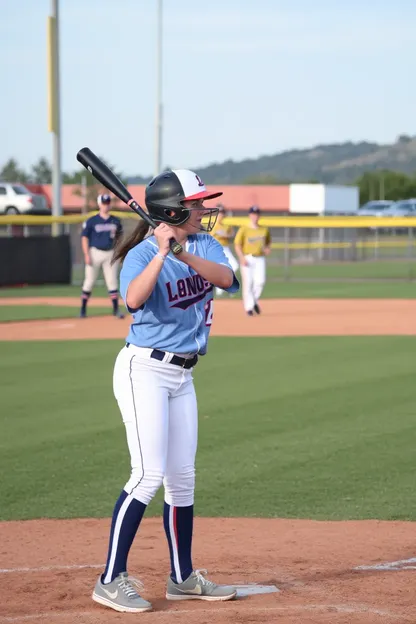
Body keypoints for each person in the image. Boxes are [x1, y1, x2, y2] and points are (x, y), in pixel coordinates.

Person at [92, 169, 239, 614]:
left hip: (183, 376)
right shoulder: (140, 254)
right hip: (145, 370)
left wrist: (183, 254)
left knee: (182, 479)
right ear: (173, 209)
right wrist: (159, 252)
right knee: (147, 475)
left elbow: (227, 280)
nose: (203, 210)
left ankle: (182, 577)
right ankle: (110, 579)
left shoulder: (204, 246)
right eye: (195, 204)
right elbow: (133, 301)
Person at [79, 194, 124, 318]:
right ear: (99, 204)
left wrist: (118, 252)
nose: (106, 205)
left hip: (110, 253)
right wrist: (86, 254)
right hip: (95, 252)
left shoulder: (115, 220)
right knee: (89, 281)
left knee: (112, 282)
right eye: (104, 203)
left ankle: (116, 310)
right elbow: (84, 237)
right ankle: (83, 310)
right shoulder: (92, 220)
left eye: (108, 202)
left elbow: (120, 237)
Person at [234, 205, 271, 316]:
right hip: (247, 258)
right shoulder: (244, 229)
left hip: (260, 258)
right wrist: (241, 258)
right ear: (250, 215)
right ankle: (249, 308)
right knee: (248, 283)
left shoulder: (264, 229)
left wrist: (267, 248)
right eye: (253, 214)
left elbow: (268, 242)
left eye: (257, 214)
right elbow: (237, 245)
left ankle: (254, 300)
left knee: (260, 282)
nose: (255, 216)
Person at [209, 203, 239, 297]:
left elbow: (231, 234)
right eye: (219, 212)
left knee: (235, 265)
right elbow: (211, 236)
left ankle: (223, 284)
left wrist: (225, 234)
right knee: (216, 269)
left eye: (222, 212)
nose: (221, 214)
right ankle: (219, 287)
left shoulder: (226, 225)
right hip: (216, 249)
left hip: (226, 248)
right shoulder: (212, 224)